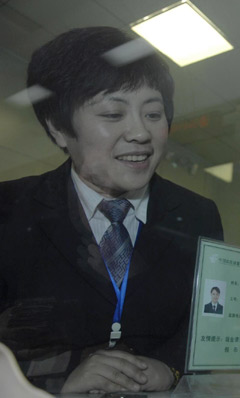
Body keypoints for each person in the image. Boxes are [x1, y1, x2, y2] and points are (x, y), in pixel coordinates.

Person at [0, 27, 223, 394]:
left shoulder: (198, 214)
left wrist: (171, 368)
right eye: (112, 113)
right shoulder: (8, 209)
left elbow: (206, 324)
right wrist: (59, 375)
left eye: (153, 114)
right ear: (59, 128)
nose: (140, 133)